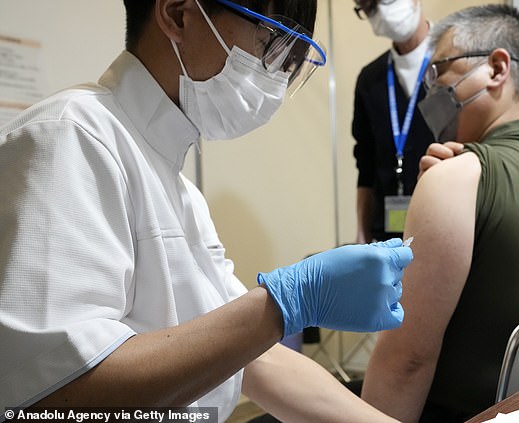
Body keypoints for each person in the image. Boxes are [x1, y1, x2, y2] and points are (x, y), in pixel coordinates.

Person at [0, 1, 414, 421]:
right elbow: (52, 394)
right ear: (179, 15)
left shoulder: (179, 187)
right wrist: (283, 305)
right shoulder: (70, 138)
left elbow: (253, 360)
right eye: (272, 43)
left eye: (293, 61)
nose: (279, 76)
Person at [360, 5, 519, 422]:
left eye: (439, 72)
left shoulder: (455, 179)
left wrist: (442, 187)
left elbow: (405, 365)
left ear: (496, 68)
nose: (430, 92)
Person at [352, 0, 435, 244]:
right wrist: (362, 237)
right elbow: (365, 167)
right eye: (369, 7)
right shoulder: (370, 80)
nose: (382, 12)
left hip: (445, 228)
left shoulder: (454, 61)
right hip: (387, 238)